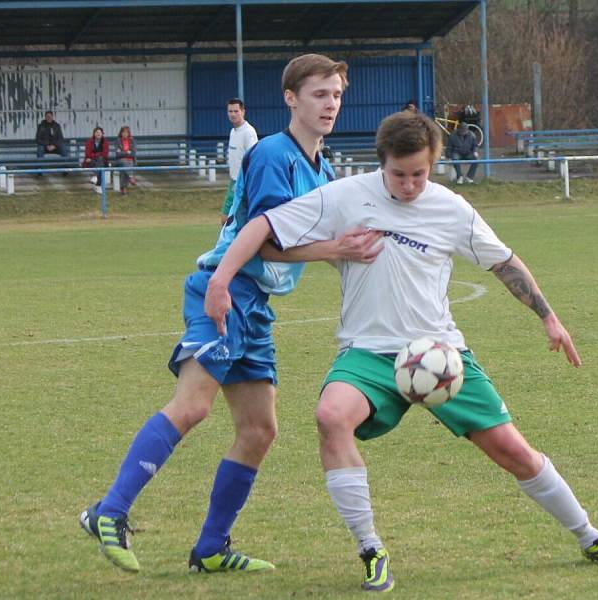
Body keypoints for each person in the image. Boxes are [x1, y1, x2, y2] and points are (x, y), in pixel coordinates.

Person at [205, 110, 598, 593]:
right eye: (399, 174)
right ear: (381, 163)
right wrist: (222, 279)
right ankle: (371, 548)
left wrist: (549, 317)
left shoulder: (451, 208)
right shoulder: (345, 195)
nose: (410, 185)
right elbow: (260, 226)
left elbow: (504, 262)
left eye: (420, 174)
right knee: (331, 416)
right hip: (368, 353)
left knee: (514, 452)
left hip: (439, 354)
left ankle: (590, 535)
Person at [78, 53, 383, 575]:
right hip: (227, 290)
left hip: (257, 306)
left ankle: (212, 548)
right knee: (192, 405)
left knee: (259, 429)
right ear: (290, 98)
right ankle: (110, 511)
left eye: (336, 94)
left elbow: (337, 235)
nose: (330, 103)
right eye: (318, 94)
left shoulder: (324, 168)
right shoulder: (273, 155)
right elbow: (264, 242)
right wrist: (334, 249)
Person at [220, 98, 258, 223]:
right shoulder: (233, 131)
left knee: (230, 219)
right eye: (230, 111)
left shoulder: (248, 132)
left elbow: (254, 159)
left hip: (243, 183)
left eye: (236, 111)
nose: (232, 114)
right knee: (227, 220)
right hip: (234, 181)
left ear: (243, 112)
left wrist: (246, 182)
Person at [83, 127, 110, 193]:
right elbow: (87, 153)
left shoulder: (105, 142)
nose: (98, 134)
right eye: (96, 132)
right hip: (90, 162)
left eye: (99, 132)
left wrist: (94, 155)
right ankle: (98, 186)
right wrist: (98, 154)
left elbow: (105, 154)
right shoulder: (89, 141)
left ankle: (95, 176)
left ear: (102, 134)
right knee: (101, 165)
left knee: (100, 161)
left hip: (99, 161)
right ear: (94, 134)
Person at [115, 126, 137, 195]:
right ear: (121, 133)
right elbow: (117, 154)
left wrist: (123, 152)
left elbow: (133, 153)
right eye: (123, 132)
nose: (125, 134)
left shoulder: (132, 140)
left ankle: (123, 189)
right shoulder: (118, 141)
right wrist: (127, 152)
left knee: (124, 169)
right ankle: (131, 177)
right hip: (120, 160)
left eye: (127, 132)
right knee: (124, 162)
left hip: (130, 160)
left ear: (129, 133)